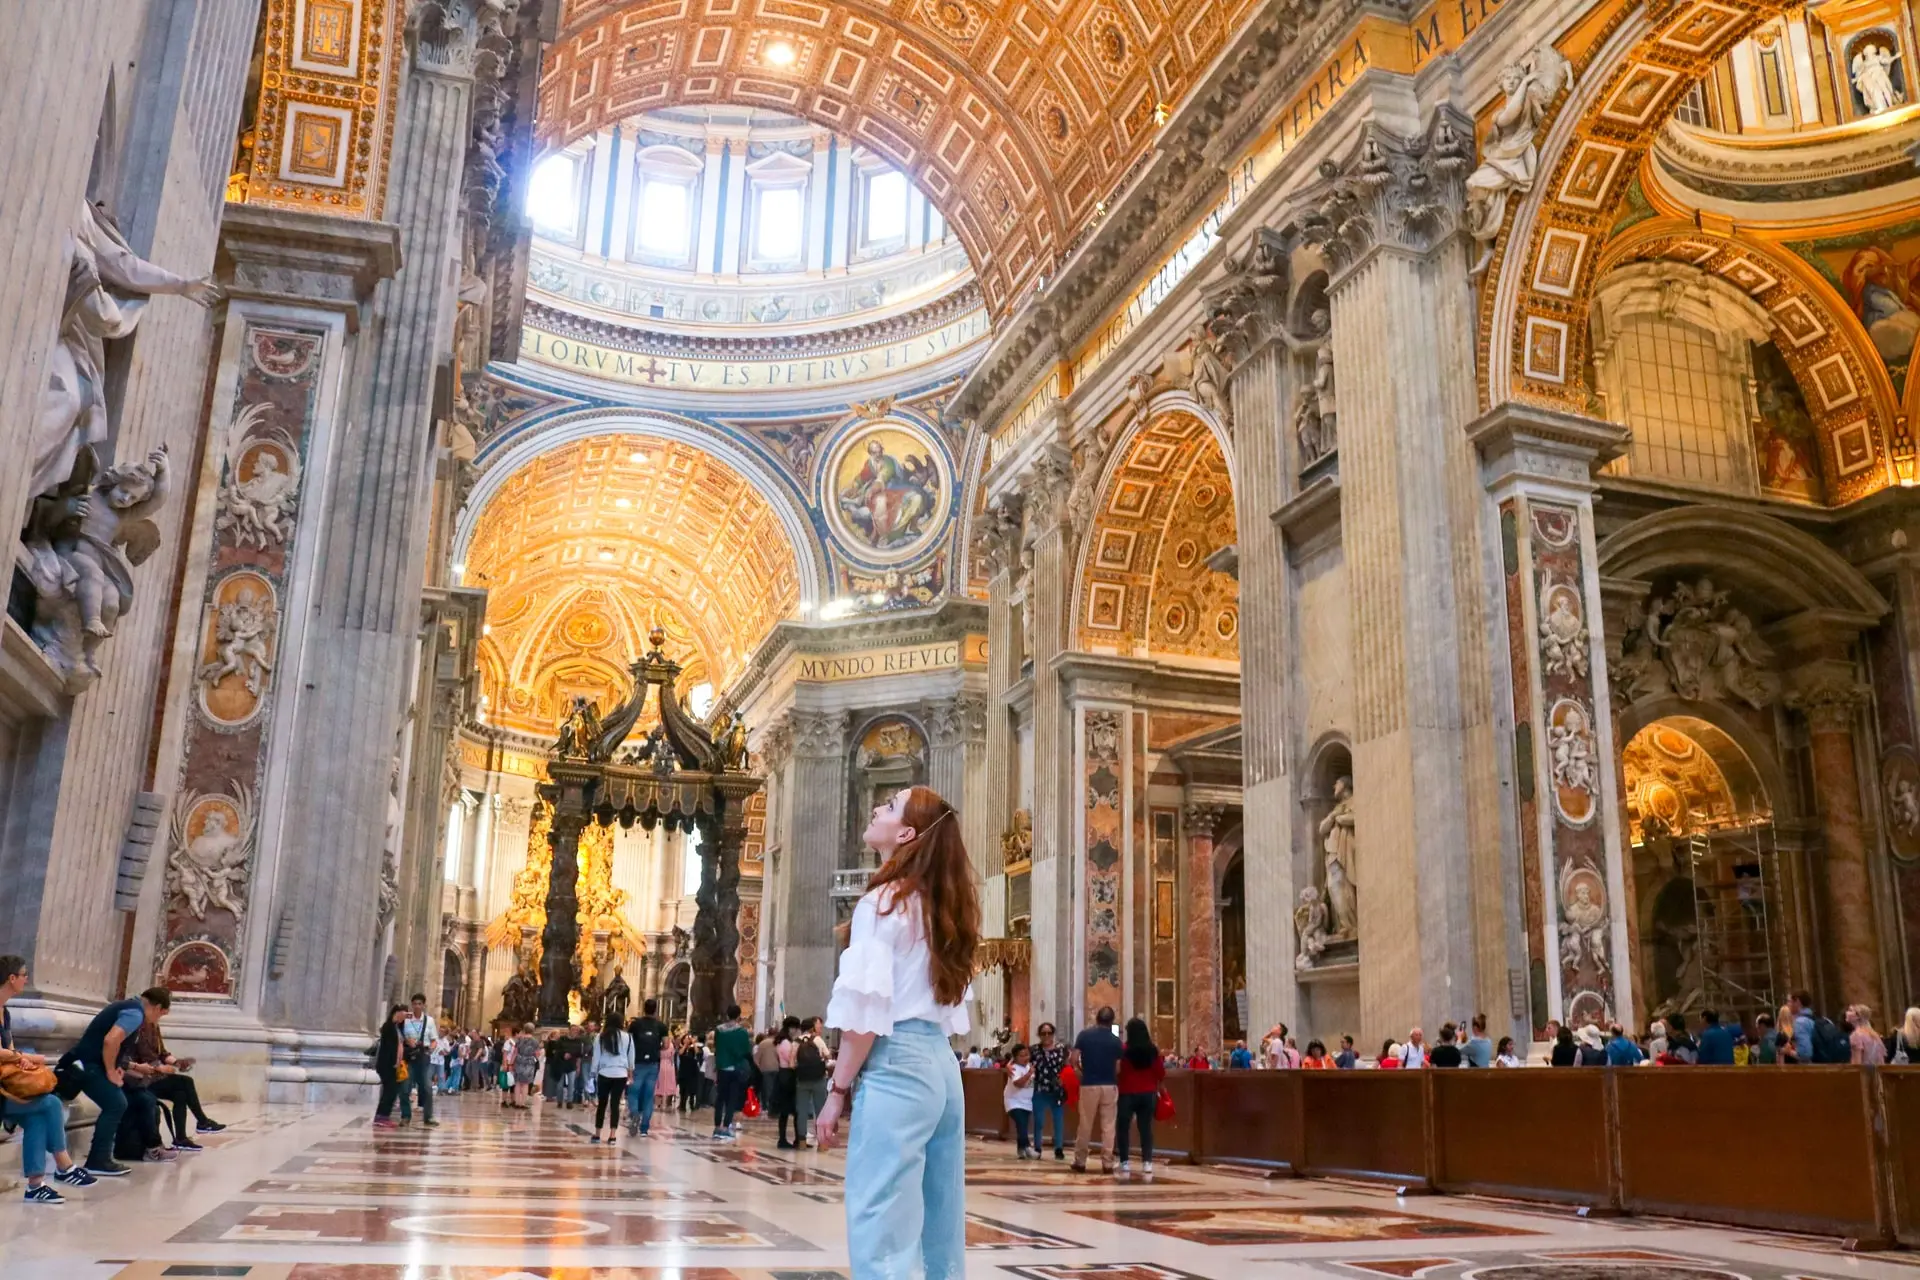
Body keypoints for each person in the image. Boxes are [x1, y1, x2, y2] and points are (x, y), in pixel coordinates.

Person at [813, 785, 980, 1280]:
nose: (875, 809)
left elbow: (866, 1016)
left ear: (906, 833)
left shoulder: (882, 902)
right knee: (939, 1223)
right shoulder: (943, 906)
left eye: (887, 807)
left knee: (880, 1218)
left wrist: (837, 1090)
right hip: (942, 1068)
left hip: (899, 1064)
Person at [0, 954, 96, 1203]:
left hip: (7, 1085)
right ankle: (62, 1165)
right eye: (24, 975)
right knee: (50, 1104)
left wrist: (19, 1059)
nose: (26, 979)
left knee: (37, 1116)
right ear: (11, 978)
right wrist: (20, 1055)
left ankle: (36, 1185)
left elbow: (8, 1050)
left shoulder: (5, 1012)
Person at [65, 984, 172, 1176]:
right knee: (116, 1103)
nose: (157, 1020)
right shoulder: (135, 1013)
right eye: (161, 1014)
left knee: (117, 1103)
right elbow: (111, 1040)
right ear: (156, 1008)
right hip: (90, 1065)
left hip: (89, 1063)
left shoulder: (129, 1007)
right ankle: (98, 1160)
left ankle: (99, 1158)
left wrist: (117, 1067)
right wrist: (110, 1071)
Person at [126, 1017, 222, 1147]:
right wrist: (160, 1068)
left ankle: (181, 1138)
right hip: (141, 1078)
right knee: (185, 1082)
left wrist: (177, 1063)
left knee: (180, 1094)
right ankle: (202, 1122)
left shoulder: (154, 1026)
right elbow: (141, 1057)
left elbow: (162, 1053)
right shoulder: (138, 1028)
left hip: (154, 1076)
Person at [1070, 1006, 1124, 1174]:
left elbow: (1073, 1059)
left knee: (1085, 1123)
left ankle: (1080, 1161)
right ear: (1112, 1021)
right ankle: (1107, 1163)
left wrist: (1080, 1073)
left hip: (1089, 1083)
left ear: (1097, 1018)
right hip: (1109, 1084)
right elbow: (1118, 1067)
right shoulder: (1116, 1041)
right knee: (1108, 1125)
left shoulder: (1084, 1035)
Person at [1114, 1018, 1165, 1182]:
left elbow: (1118, 1071)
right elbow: (1160, 1072)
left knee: (1123, 1128)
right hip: (1148, 1093)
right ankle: (1147, 1163)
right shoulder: (1153, 1051)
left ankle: (1124, 1162)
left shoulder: (1123, 1050)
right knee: (1145, 1129)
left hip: (1127, 1092)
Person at [625, 998, 670, 1137]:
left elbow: (629, 1042)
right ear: (656, 1009)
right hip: (653, 1063)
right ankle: (644, 1129)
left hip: (637, 1062)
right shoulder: (661, 1026)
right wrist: (658, 1048)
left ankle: (634, 1114)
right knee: (648, 1096)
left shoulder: (635, 1024)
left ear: (644, 1008)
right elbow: (667, 1045)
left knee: (634, 1092)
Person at [1029, 1022, 1069, 1161]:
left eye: (1049, 1033)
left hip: (1056, 1090)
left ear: (1053, 1034)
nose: (1046, 1036)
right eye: (1043, 1033)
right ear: (1039, 1035)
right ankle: (1037, 1147)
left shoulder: (1061, 1050)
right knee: (1039, 1121)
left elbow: (1067, 1067)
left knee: (1058, 1120)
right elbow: (1019, 1060)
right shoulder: (1033, 1050)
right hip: (1040, 1089)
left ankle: (1058, 1148)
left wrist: (1064, 1079)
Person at [712, 1004, 753, 1139]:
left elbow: (717, 1047)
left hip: (722, 1067)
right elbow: (746, 1050)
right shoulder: (742, 1032)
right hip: (735, 1068)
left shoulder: (718, 1030)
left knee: (720, 1098)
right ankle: (725, 1126)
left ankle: (717, 1126)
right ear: (738, 1015)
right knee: (732, 1099)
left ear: (727, 1014)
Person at [590, 1017, 633, 1143]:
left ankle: (597, 1134)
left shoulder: (600, 1037)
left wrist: (593, 1073)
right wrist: (630, 1074)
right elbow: (631, 1057)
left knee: (602, 1104)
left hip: (604, 1072)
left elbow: (596, 1057)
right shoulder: (628, 1037)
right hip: (621, 1073)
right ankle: (613, 1135)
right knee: (615, 1104)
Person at [399, 993, 438, 1128]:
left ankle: (428, 1116)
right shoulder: (406, 1019)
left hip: (423, 1057)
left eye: (419, 1004)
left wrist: (430, 1049)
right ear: (412, 1005)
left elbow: (434, 1040)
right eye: (414, 1003)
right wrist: (406, 1040)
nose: (417, 1006)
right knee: (404, 1087)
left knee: (427, 1087)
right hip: (409, 1057)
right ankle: (405, 1116)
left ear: (423, 1005)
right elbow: (398, 1035)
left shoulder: (430, 1021)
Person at [794, 1015, 831, 1147]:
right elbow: (828, 1055)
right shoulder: (818, 1040)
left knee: (802, 1110)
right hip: (818, 1078)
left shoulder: (796, 1041)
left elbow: (791, 1062)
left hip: (802, 1079)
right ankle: (822, 1143)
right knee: (820, 1109)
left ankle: (802, 1141)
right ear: (812, 1028)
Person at [372, 1005, 407, 1128]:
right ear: (396, 1013)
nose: (404, 1017)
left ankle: (384, 1116)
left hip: (394, 1065)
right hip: (387, 1064)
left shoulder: (397, 1027)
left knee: (391, 1091)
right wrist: (393, 1061)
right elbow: (390, 1047)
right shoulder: (388, 1027)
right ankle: (381, 1116)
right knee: (389, 1091)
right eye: (403, 1014)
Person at [774, 1016, 803, 1149]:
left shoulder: (780, 1041)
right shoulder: (786, 1043)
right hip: (788, 1076)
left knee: (786, 1110)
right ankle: (791, 1138)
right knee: (791, 1109)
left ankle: (788, 1138)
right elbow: (792, 1061)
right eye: (796, 1028)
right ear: (791, 1028)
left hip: (782, 1075)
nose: (796, 1031)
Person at [1004, 1043, 1036, 1158]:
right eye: (1021, 1056)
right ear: (1016, 1058)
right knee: (1021, 1123)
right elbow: (1018, 1083)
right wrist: (1029, 1074)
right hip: (1014, 1101)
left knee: (1022, 1126)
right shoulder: (1014, 1068)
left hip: (1027, 1102)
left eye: (1027, 1055)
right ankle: (1027, 1147)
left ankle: (1021, 1150)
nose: (1025, 1058)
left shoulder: (1028, 1066)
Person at [511, 1023, 541, 1107]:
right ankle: (522, 1103)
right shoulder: (535, 1041)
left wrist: (511, 1063)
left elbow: (515, 1052)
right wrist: (533, 1059)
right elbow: (538, 1053)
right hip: (529, 1063)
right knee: (525, 1084)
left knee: (517, 1083)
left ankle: (517, 1102)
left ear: (524, 1029)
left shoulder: (519, 1040)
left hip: (519, 1061)